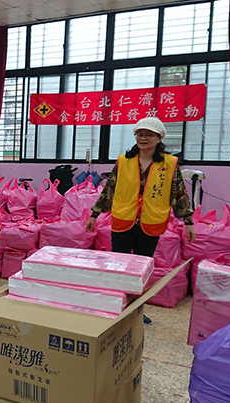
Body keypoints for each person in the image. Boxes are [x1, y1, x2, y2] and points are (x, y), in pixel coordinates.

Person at [84, 117, 196, 324]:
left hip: (151, 223)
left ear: (159, 137)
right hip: (122, 221)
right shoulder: (123, 161)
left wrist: (188, 222)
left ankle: (135, 309)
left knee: (141, 270)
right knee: (120, 267)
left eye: (149, 134)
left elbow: (178, 193)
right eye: (140, 134)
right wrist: (94, 214)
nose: (143, 138)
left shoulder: (170, 164)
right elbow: (110, 189)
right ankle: (118, 305)